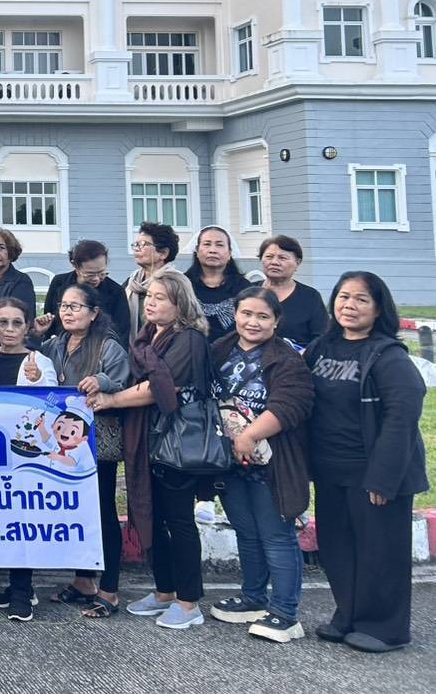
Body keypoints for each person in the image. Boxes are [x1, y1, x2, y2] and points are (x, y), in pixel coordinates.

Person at [304, 271, 429, 652]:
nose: (349, 305)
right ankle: (349, 615)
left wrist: (383, 478)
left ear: (378, 309)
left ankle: (386, 628)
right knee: (337, 548)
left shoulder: (388, 356)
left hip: (372, 471)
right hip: (331, 469)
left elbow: (402, 417)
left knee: (380, 551)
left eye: (361, 299)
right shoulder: (322, 347)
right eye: (343, 296)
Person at [90, 270, 211, 630]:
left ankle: (189, 602)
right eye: (150, 297)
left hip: (176, 441)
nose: (151, 303)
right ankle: (164, 591)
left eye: (161, 298)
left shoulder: (189, 339)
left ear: (180, 304)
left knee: (179, 520)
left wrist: (111, 399)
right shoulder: (146, 337)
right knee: (151, 515)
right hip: (146, 440)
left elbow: (158, 389)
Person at [207, 287, 314, 643]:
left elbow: (291, 405)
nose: (253, 322)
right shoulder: (219, 349)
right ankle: (253, 598)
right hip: (229, 462)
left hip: (272, 463)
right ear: (235, 315)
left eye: (262, 316)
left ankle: (285, 612)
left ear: (276, 321)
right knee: (247, 532)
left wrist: (249, 436)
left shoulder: (287, 359)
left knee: (276, 537)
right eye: (246, 313)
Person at [43, 283, 131, 619]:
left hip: (97, 443)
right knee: (76, 511)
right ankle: (83, 581)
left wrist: (102, 381)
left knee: (103, 510)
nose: (67, 312)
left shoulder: (108, 346)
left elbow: (124, 382)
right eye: (63, 306)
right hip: (63, 440)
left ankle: (109, 589)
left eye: (75, 306)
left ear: (94, 313)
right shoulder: (56, 344)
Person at [0, 297, 58, 622]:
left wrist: (38, 380)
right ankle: (14, 586)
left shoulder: (39, 361)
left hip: (24, 457)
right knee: (2, 521)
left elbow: (54, 404)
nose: (10, 329)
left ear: (28, 327)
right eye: (3, 322)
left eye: (17, 323)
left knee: (22, 521)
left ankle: (23, 591)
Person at [38, 240, 131, 345]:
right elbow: (50, 320)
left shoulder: (116, 291)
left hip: (100, 349)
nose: (96, 279)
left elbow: (122, 332)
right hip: (61, 347)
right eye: (90, 274)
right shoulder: (59, 283)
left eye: (102, 273)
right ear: (76, 267)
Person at [257, 236, 328, 349]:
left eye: (282, 258)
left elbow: (321, 337)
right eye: (269, 257)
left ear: (297, 262)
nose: (274, 262)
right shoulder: (248, 291)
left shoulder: (310, 297)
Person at [185, 226, 251, 343]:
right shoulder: (183, 284)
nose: (213, 250)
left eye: (219, 245)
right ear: (197, 251)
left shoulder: (244, 288)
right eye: (207, 244)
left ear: (229, 253)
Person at [125, 221, 179, 340]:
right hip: (134, 347)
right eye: (136, 244)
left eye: (143, 244)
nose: (137, 249)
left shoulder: (176, 283)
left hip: (166, 344)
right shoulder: (132, 282)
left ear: (163, 253)